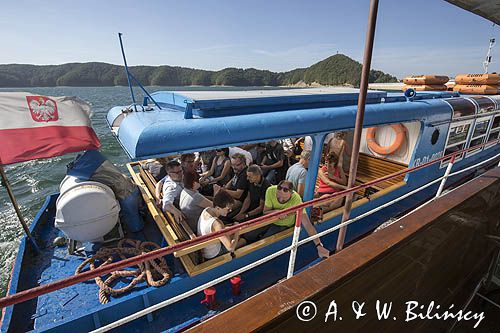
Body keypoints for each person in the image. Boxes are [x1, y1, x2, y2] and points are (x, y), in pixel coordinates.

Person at [243, 180, 329, 258]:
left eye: (283, 199)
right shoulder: (270, 190)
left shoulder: (296, 200)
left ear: (291, 194)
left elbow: (307, 224)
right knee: (248, 235)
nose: (280, 199)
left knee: (264, 242)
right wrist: (277, 212)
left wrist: (319, 246)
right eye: (278, 196)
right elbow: (265, 212)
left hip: (283, 225)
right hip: (269, 220)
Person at [197, 190, 246, 260]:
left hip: (205, 249)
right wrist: (237, 229)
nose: (230, 211)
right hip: (213, 254)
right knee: (243, 240)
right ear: (218, 208)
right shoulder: (217, 223)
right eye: (228, 209)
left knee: (233, 236)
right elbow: (230, 248)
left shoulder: (207, 210)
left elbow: (215, 230)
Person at [216, 153, 249, 220]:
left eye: (236, 165)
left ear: (243, 164)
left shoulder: (244, 175)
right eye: (232, 165)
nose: (234, 167)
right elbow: (233, 179)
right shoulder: (238, 170)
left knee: (219, 206)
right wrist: (225, 187)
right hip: (231, 196)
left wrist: (224, 190)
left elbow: (238, 195)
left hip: (238, 201)